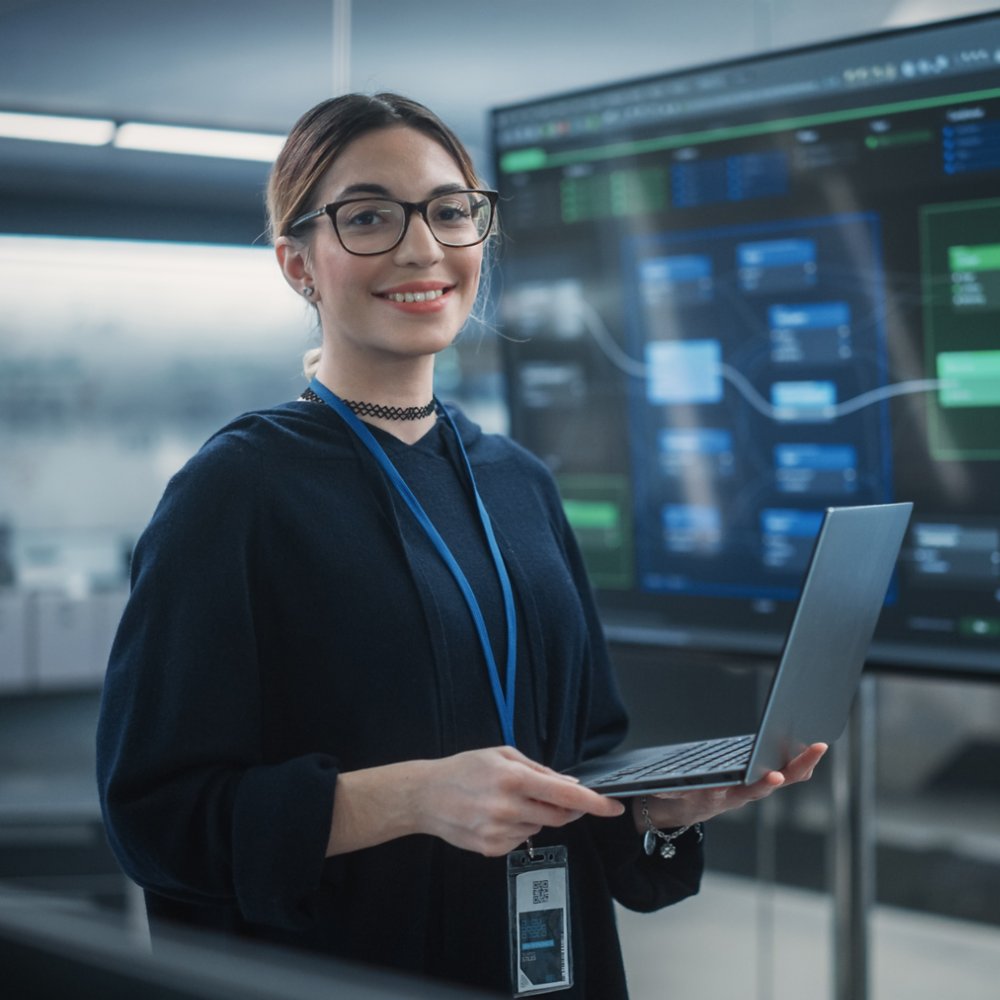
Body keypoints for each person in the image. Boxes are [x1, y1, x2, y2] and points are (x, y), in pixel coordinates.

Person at [96, 92, 825, 998]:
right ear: (298, 265)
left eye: (449, 211)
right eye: (368, 217)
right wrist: (408, 798)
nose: (421, 248)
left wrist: (654, 811)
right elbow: (156, 820)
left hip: (550, 966)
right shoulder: (235, 494)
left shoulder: (520, 482)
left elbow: (585, 754)